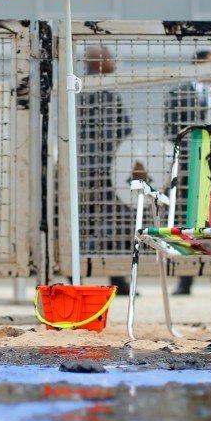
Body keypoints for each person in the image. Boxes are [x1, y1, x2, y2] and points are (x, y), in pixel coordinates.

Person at [163, 50, 211, 296]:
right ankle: (185, 278)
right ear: (199, 65)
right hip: (188, 167)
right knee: (187, 222)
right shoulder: (178, 95)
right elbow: (171, 130)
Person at [78, 46, 132, 294]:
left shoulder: (97, 88)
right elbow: (109, 132)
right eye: (110, 57)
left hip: (103, 166)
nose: (115, 62)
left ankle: (114, 274)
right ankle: (81, 263)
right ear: (97, 61)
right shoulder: (93, 89)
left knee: (108, 220)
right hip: (102, 167)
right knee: (110, 220)